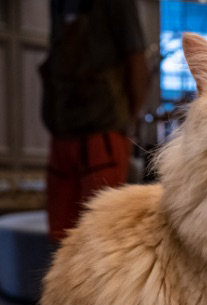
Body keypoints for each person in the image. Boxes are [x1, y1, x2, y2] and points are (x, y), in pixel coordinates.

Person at [41, 0, 148, 242]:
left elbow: (137, 62)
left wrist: (127, 121)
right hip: (62, 132)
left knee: (100, 235)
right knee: (60, 236)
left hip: (103, 133)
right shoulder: (57, 5)